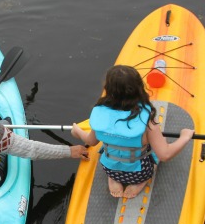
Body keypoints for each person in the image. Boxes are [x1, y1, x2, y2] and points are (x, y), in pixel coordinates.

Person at [71, 65, 194, 199]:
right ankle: (140, 182)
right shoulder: (147, 122)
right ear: (139, 87)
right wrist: (185, 137)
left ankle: (114, 179)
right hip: (139, 172)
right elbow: (165, 154)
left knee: (112, 153)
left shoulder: (100, 115)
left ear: (108, 89)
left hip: (110, 169)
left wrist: (76, 130)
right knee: (160, 144)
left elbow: (91, 141)